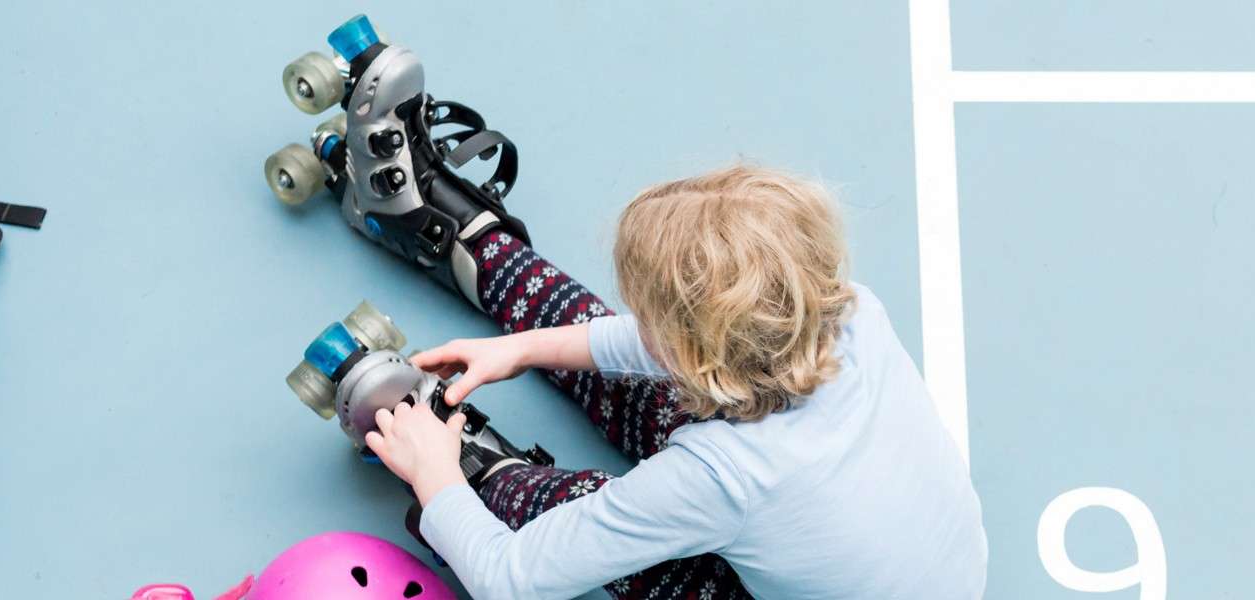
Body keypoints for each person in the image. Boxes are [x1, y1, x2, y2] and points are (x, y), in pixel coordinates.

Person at [364, 165, 988, 599]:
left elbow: (510, 579)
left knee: (585, 505)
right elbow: (673, 344)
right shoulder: (849, 309)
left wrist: (434, 475)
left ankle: (482, 470)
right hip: (938, 575)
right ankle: (482, 251)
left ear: (690, 348)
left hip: (748, 512)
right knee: (621, 361)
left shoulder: (718, 479)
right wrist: (522, 349)